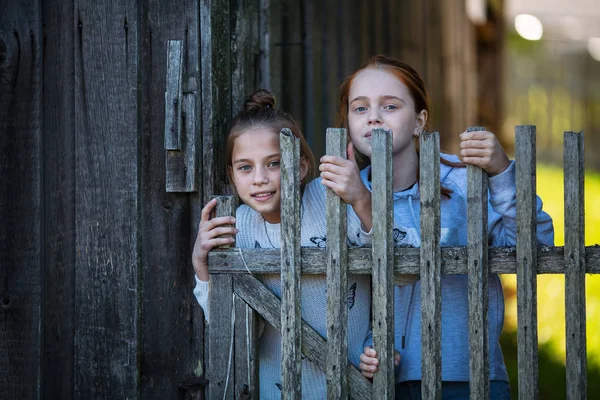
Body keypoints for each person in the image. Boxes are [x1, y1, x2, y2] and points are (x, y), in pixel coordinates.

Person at [319, 55, 554, 399]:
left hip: (469, 377)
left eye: (390, 105)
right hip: (382, 384)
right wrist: (367, 348)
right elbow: (346, 292)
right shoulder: (343, 194)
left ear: (419, 120)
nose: (373, 116)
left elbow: (536, 247)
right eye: (360, 108)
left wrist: (503, 172)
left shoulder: (462, 182)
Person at [192, 89, 418, 399]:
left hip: (349, 387)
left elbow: (404, 262)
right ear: (232, 175)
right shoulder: (235, 228)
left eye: (273, 163)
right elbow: (230, 330)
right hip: (274, 391)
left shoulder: (329, 202)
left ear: (299, 167)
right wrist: (203, 268)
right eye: (245, 167)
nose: (259, 178)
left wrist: (362, 199)